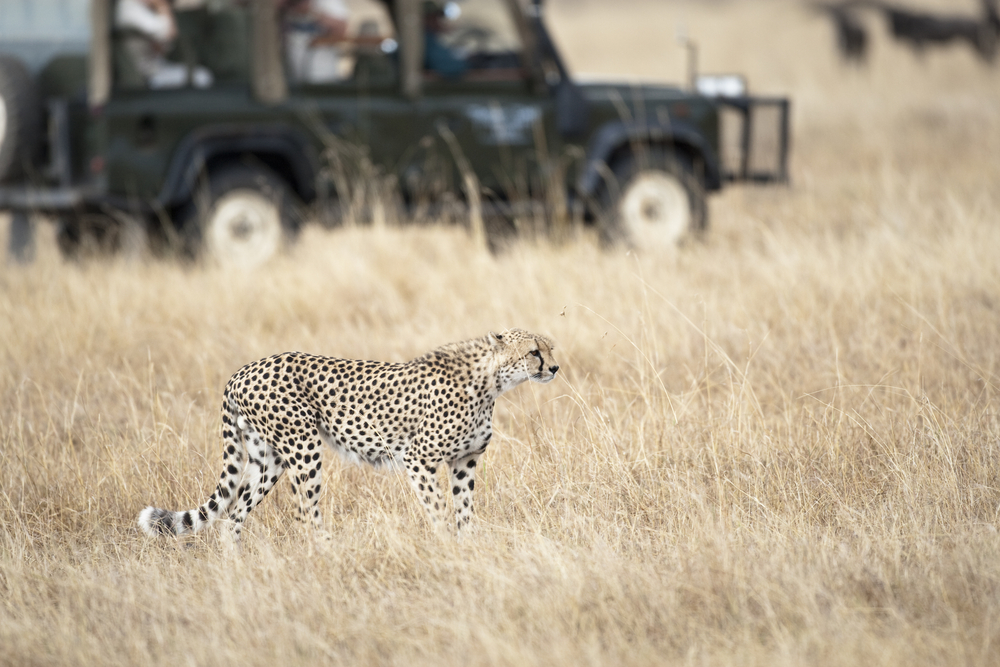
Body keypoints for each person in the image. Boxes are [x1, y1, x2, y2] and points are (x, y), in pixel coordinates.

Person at [116, 0, 213, 88]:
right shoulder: (129, 6)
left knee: (202, 74)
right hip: (146, 75)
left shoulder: (141, 6)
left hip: (155, 66)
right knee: (202, 77)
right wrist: (162, 6)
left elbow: (164, 46)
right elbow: (168, 33)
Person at [423, 1, 466, 79]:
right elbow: (450, 68)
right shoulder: (426, 40)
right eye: (434, 17)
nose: (438, 21)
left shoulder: (434, 38)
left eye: (439, 17)